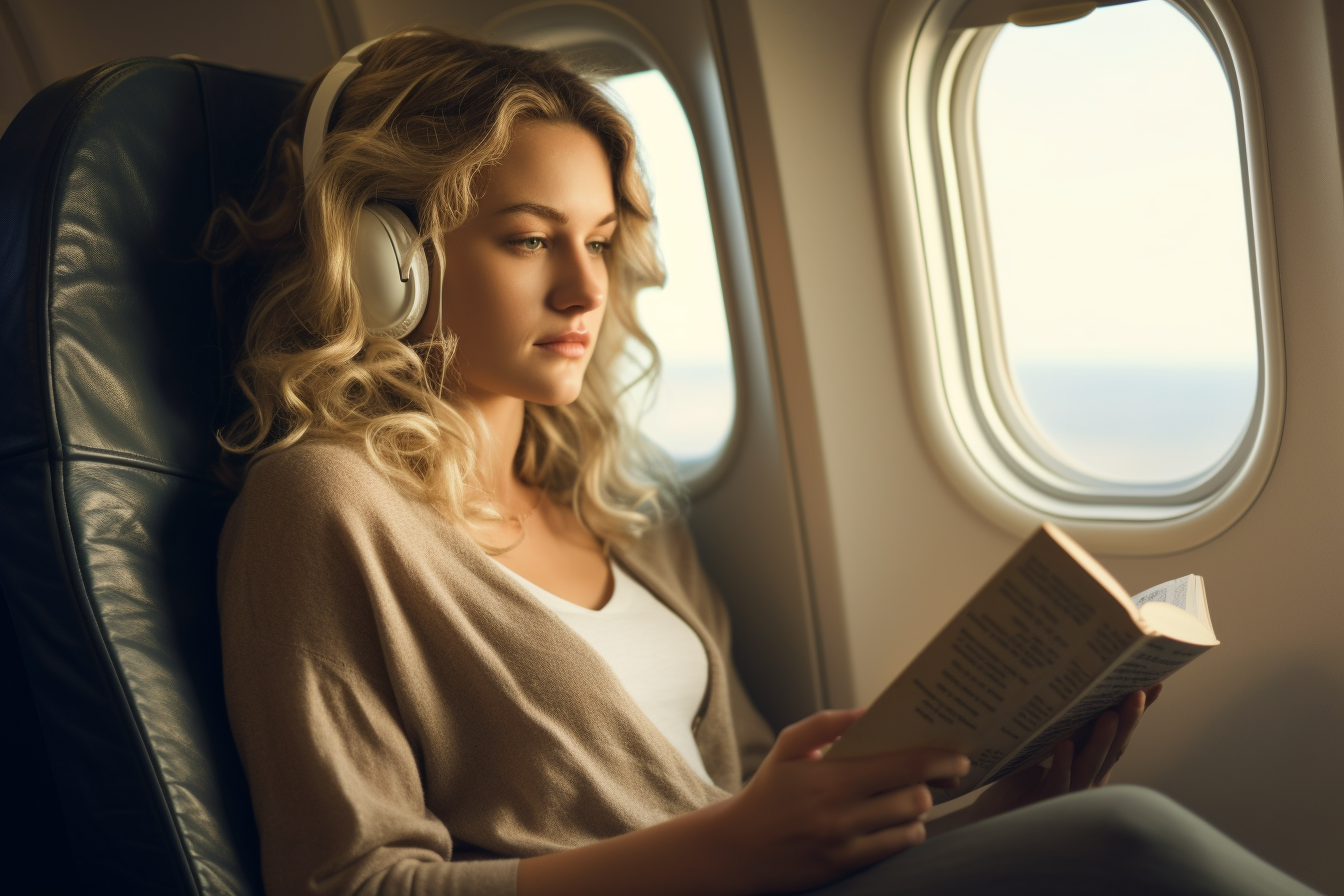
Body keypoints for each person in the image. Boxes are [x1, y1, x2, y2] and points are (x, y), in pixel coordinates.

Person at [210, 27, 1322, 896]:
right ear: (387, 255)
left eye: (599, 241)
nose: (586, 292)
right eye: (528, 237)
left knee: (1083, 831)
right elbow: (348, 879)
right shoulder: (324, 504)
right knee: (1125, 843)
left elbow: (740, 807)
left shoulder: (614, 498)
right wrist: (737, 844)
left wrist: (1001, 805)